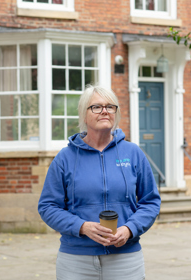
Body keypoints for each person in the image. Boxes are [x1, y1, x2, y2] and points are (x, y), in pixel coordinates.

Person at [38, 84, 161, 279]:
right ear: (84, 115)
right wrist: (82, 227)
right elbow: (48, 206)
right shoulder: (65, 158)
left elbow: (151, 202)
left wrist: (130, 229)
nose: (104, 111)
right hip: (76, 261)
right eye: (96, 106)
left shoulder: (133, 153)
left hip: (125, 260)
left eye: (110, 106)